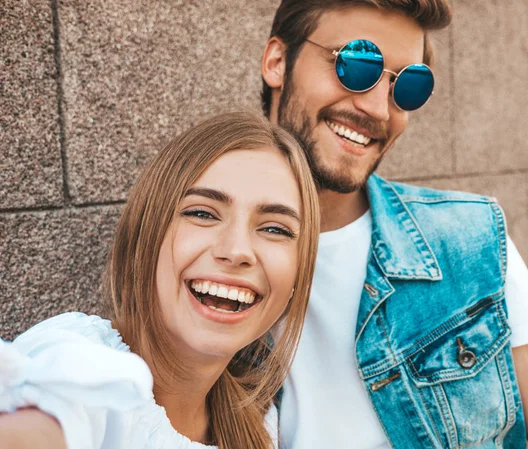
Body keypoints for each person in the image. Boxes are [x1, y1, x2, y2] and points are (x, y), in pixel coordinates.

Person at [259, 1, 528, 448]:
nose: (380, 109)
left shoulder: (469, 243)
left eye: (408, 86)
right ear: (277, 62)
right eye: (357, 64)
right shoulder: (197, 256)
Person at [0, 111, 320, 449]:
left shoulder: (258, 422)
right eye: (201, 213)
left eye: (274, 229)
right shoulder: (85, 373)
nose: (237, 250)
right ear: (146, 237)